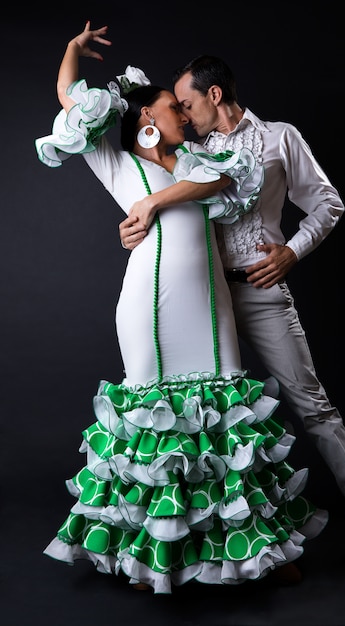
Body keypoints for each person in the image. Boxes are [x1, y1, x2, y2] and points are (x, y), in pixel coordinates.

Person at [35, 22, 329, 594]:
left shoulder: (198, 161)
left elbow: (224, 180)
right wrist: (71, 53)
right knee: (160, 430)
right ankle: (156, 559)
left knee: (225, 427)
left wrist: (154, 202)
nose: (184, 113)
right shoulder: (116, 161)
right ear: (148, 120)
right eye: (172, 106)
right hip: (150, 307)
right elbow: (71, 102)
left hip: (212, 306)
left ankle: (259, 551)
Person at [119, 54, 345, 582]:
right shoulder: (184, 148)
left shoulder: (279, 139)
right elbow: (142, 177)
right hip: (199, 299)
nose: (182, 111)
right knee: (206, 424)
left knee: (313, 408)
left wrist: (290, 251)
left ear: (215, 96)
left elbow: (328, 203)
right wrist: (132, 226)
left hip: (260, 293)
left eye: (189, 103)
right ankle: (237, 550)